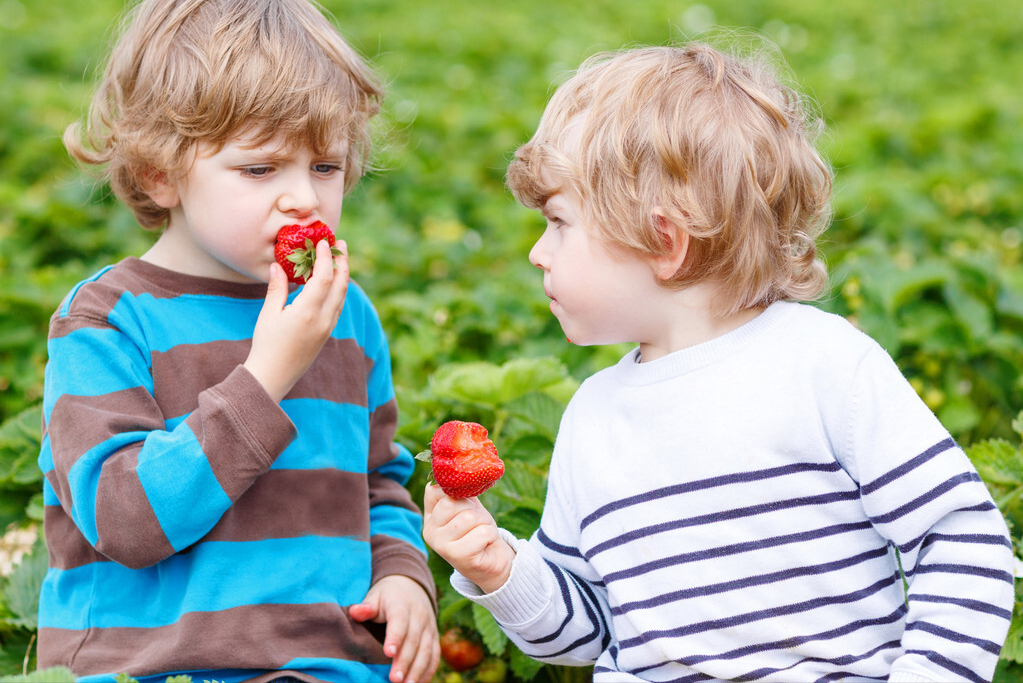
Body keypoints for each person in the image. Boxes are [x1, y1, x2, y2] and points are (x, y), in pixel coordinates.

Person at [422, 42, 1016, 682]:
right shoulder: (594, 417)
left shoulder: (821, 366)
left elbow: (960, 536)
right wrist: (501, 570)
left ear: (664, 242)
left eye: (559, 222)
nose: (539, 252)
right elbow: (591, 625)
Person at [37, 1, 438, 682]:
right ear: (161, 172)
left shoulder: (345, 312)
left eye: (325, 167)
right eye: (261, 169)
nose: (303, 199)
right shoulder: (106, 320)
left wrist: (402, 575)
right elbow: (124, 521)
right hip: (150, 666)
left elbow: (375, 482)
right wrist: (264, 378)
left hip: (327, 666)